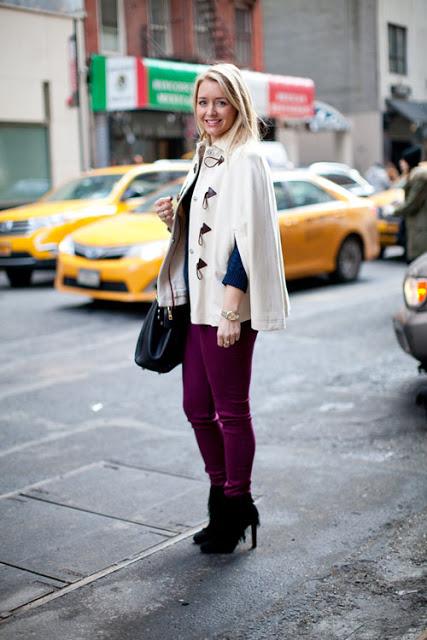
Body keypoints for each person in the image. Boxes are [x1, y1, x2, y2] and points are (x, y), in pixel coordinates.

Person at [154, 63, 289, 554]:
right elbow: (207, 231)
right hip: (197, 304)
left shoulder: (247, 157)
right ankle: (221, 498)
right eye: (203, 102)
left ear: (238, 105)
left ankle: (236, 507)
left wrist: (233, 309)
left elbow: (246, 238)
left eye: (220, 102)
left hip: (227, 307)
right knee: (196, 407)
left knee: (231, 412)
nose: (210, 111)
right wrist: (177, 216)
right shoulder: (206, 156)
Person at [393, 145, 427, 262]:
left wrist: (394, 211)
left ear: (409, 161)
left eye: (403, 160)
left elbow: (412, 203)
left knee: (418, 265)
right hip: (416, 226)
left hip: (420, 228)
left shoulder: (419, 177)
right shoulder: (413, 175)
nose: (401, 163)